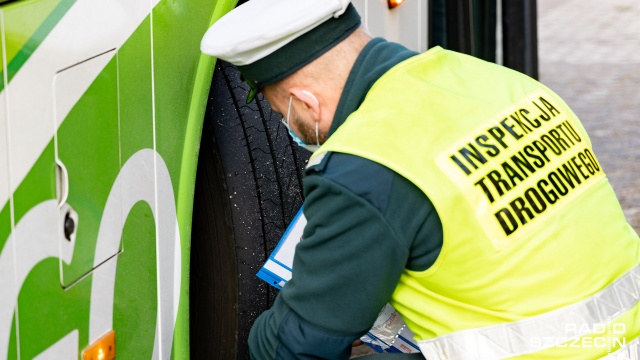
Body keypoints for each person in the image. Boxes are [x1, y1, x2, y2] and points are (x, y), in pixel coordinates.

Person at [201, 0, 640, 359]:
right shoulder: (503, 82)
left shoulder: (364, 164)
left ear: (305, 102)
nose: (287, 126)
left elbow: (298, 347)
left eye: (281, 114)